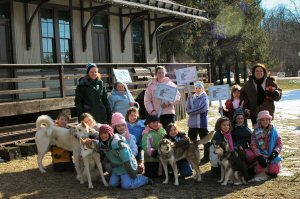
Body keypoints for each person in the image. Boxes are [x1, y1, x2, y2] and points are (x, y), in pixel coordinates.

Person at [96, 124, 150, 189]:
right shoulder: (103, 144)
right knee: (112, 184)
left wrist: (133, 173)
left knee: (126, 186)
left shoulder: (118, 144)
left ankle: (144, 179)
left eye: (105, 133)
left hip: (126, 167)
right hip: (117, 168)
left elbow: (127, 160)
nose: (103, 135)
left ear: (110, 133)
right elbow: (107, 157)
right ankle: (124, 180)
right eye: (101, 133)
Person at [144, 66, 181, 130]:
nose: (161, 74)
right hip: (156, 114)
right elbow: (147, 100)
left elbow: (177, 96)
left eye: (162, 72)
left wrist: (169, 103)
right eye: (159, 73)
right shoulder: (151, 85)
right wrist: (152, 111)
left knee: (169, 131)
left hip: (168, 113)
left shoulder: (170, 84)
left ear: (165, 73)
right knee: (158, 132)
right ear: (156, 74)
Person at [251, 110, 283, 176]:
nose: (265, 121)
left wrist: (276, 152)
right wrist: (259, 156)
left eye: (266, 119)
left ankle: (272, 166)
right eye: (263, 120)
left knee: (274, 170)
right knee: (259, 170)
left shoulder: (274, 131)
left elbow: (280, 143)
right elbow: (253, 145)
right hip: (261, 155)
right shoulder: (255, 132)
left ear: (269, 120)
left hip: (272, 155)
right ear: (259, 121)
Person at [186, 81, 210, 163]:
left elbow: (202, 109)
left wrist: (190, 111)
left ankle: (207, 157)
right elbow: (187, 108)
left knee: (205, 140)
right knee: (192, 141)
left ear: (202, 88)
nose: (198, 89)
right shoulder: (192, 97)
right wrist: (188, 100)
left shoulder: (205, 98)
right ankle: (194, 156)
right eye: (196, 88)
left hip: (201, 123)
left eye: (200, 88)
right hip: (192, 124)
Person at [126, 107, 145, 173]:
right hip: (129, 146)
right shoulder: (125, 124)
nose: (133, 117)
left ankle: (141, 164)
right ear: (127, 116)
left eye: (135, 115)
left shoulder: (141, 123)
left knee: (140, 153)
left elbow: (149, 124)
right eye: (131, 115)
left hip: (139, 145)